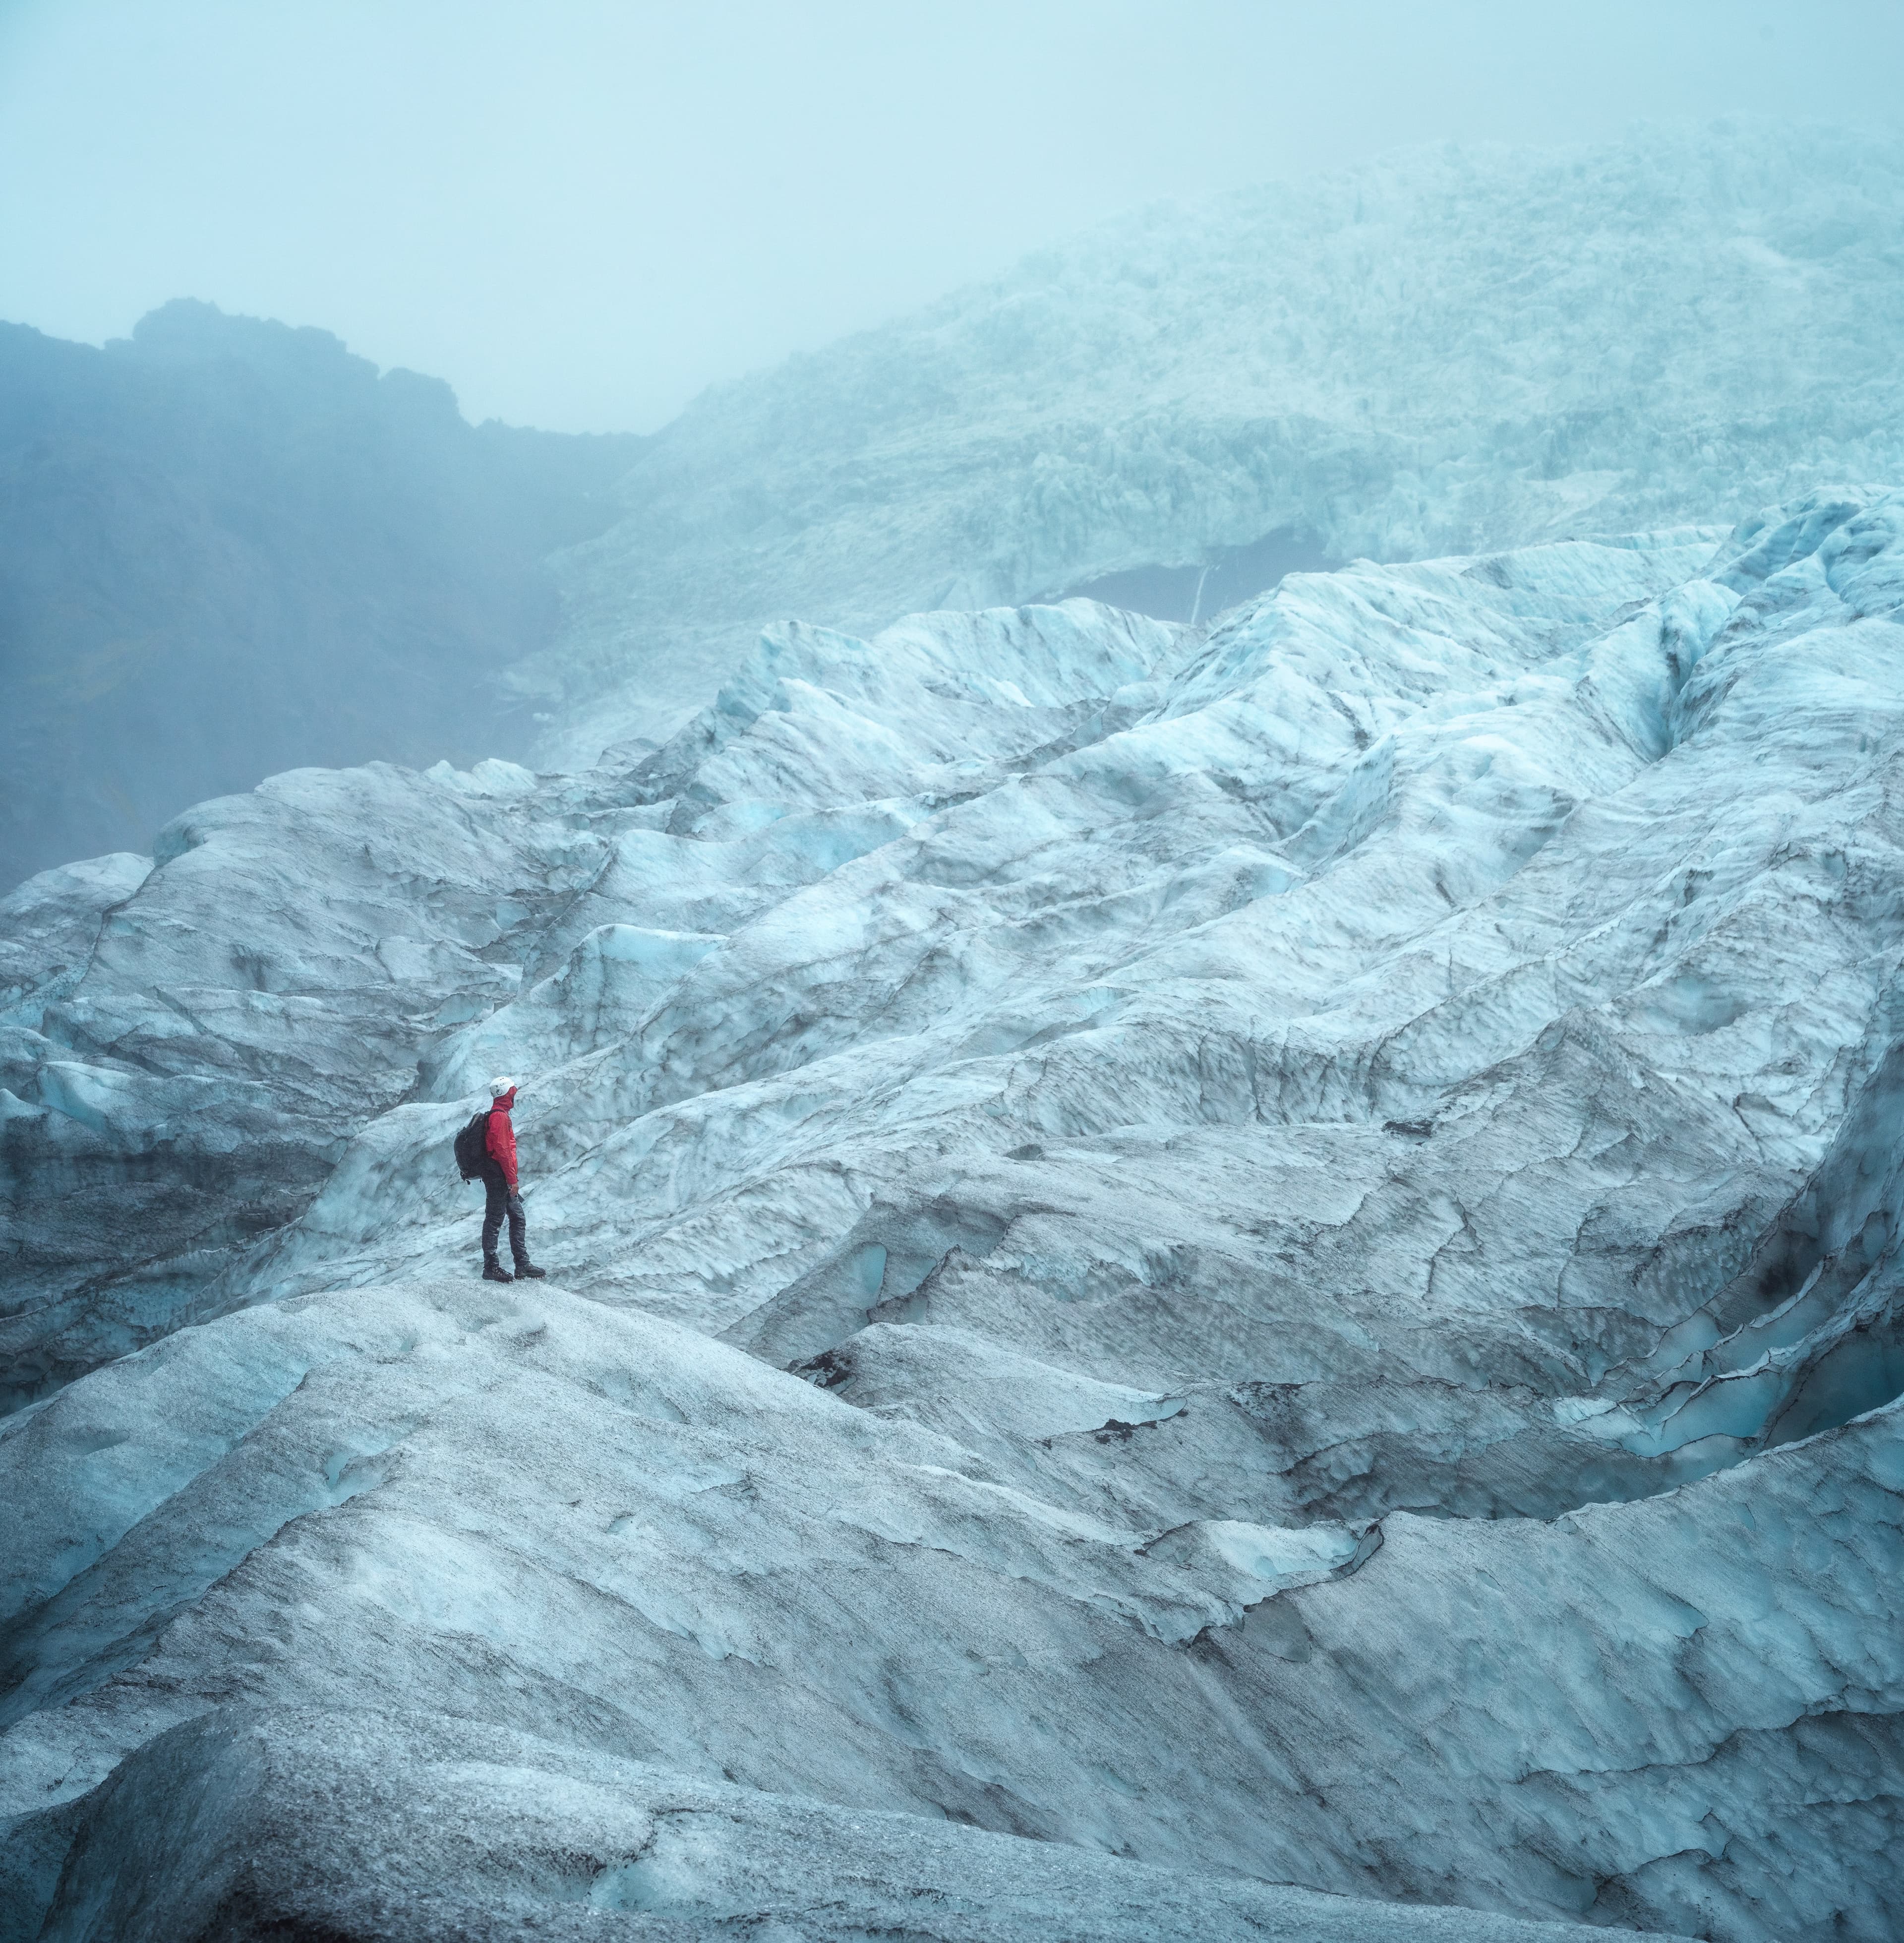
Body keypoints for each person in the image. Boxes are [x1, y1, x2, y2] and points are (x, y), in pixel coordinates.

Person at [478, 1076, 546, 1282]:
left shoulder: (501, 1115)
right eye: (512, 1092)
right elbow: (502, 1150)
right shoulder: (499, 1117)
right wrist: (511, 1179)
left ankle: (522, 1264)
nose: (514, 1095)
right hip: (499, 1176)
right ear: (505, 1094)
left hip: (500, 1175)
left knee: (517, 1217)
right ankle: (491, 1267)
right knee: (494, 1220)